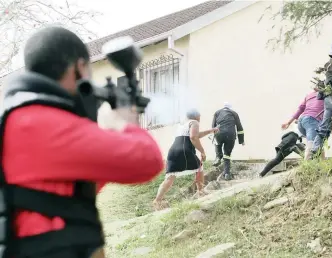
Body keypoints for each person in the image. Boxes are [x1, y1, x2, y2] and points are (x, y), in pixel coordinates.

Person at [1, 27, 164, 258]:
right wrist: (123, 123)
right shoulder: (46, 123)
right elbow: (147, 161)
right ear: (79, 67)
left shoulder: (20, 119)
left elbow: (75, 190)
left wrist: (106, 136)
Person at [153, 109, 218, 210]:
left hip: (172, 151)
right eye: (199, 116)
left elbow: (196, 135)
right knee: (199, 167)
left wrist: (210, 131)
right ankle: (200, 192)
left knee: (170, 177)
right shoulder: (194, 122)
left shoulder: (182, 125)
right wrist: (202, 151)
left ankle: (157, 201)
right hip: (184, 150)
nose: (200, 118)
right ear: (196, 116)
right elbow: (193, 137)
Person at [281, 87, 324, 160]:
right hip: (312, 120)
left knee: (317, 141)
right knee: (311, 143)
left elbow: (300, 109)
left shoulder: (309, 95)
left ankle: (322, 163)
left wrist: (289, 122)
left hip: (302, 122)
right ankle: (307, 165)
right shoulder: (326, 95)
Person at [211, 102, 244, 181]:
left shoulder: (217, 112)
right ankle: (226, 174)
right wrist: (241, 140)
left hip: (219, 133)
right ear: (230, 108)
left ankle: (218, 157)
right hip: (230, 135)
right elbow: (239, 127)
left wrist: (214, 135)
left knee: (217, 143)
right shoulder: (234, 113)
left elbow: (213, 126)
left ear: (223, 107)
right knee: (227, 155)